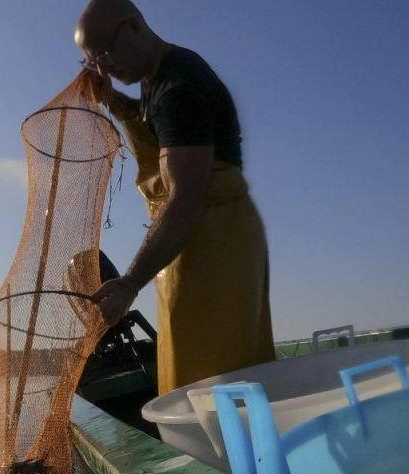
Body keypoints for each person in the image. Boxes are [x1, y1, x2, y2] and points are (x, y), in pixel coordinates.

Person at [74, 0, 274, 394]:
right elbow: (155, 125)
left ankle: (228, 453)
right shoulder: (157, 76)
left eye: (105, 57)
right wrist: (112, 98)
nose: (104, 70)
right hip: (195, 242)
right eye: (93, 63)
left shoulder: (178, 88)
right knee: (198, 374)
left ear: (131, 27)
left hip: (215, 243)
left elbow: (185, 200)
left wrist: (130, 282)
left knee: (216, 381)